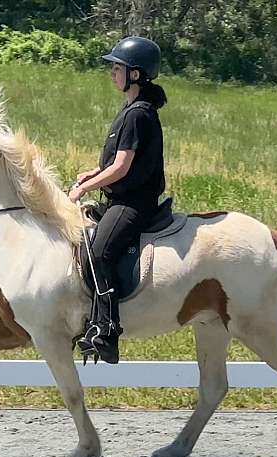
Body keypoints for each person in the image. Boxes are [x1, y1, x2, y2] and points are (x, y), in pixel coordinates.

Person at [68, 36, 167, 364]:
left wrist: (84, 188)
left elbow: (123, 168)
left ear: (135, 74)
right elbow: (118, 162)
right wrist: (92, 173)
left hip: (134, 203)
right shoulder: (130, 110)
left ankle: (106, 329)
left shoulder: (138, 114)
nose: (112, 73)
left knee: (99, 254)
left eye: (117, 68)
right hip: (121, 198)